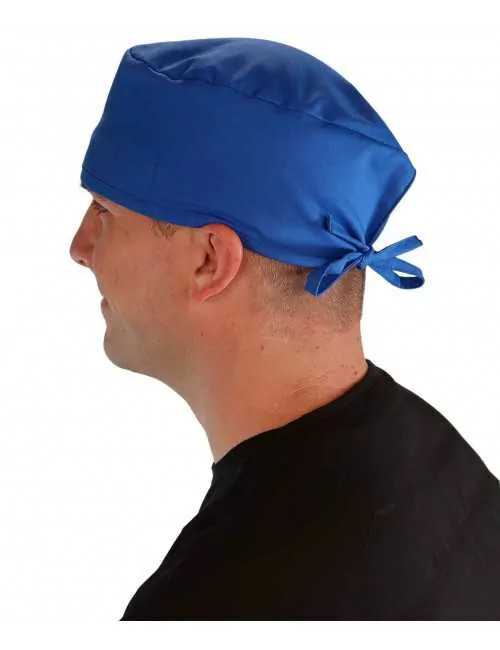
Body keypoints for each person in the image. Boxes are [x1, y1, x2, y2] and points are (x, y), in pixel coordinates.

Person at [69, 37, 500, 620]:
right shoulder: (445, 468)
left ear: (209, 262)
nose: (80, 247)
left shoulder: (214, 600)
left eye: (105, 211)